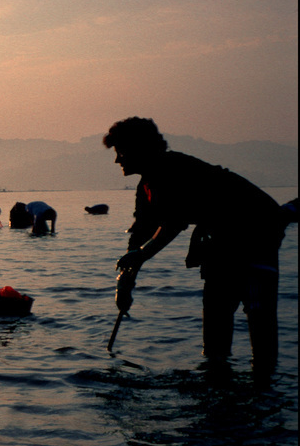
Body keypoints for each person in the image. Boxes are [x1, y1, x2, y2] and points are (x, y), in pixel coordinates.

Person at [103, 117, 287, 383]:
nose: (117, 160)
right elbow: (141, 234)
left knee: (259, 319)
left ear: (139, 149)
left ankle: (263, 382)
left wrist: (141, 255)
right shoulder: (147, 186)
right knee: (216, 319)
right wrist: (125, 282)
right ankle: (216, 379)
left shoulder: (172, 167)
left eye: (121, 152)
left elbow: (173, 223)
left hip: (258, 233)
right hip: (219, 240)